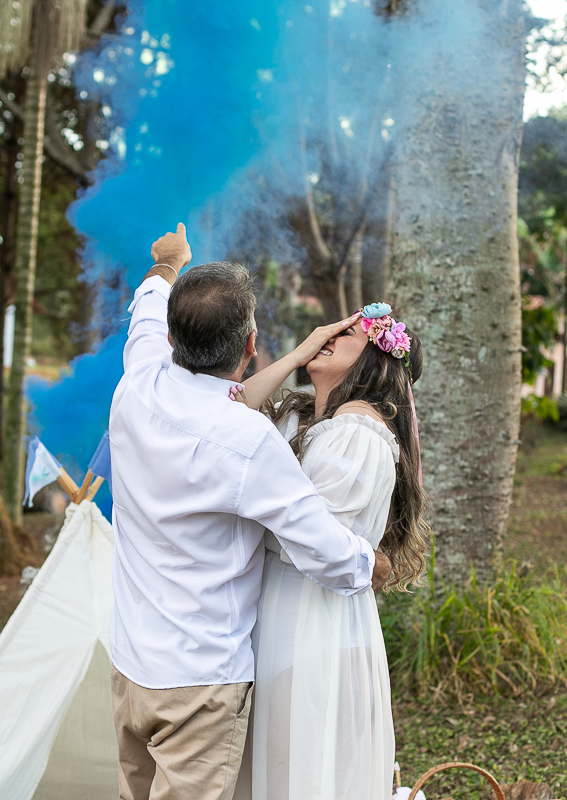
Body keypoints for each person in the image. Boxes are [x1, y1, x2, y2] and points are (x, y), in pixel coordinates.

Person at [107, 224, 393, 800]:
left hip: (130, 665)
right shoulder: (248, 441)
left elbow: (150, 300)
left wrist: (167, 263)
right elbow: (321, 545)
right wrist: (374, 564)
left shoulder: (137, 381)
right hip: (199, 683)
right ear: (250, 345)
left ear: (171, 337)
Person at [231, 299, 429, 800]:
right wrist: (297, 354)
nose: (330, 335)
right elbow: (224, 414)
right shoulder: (302, 419)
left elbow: (309, 540)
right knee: (275, 764)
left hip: (312, 621)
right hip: (278, 613)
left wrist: (242, 513)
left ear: (374, 362)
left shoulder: (358, 430)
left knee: (301, 766)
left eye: (348, 335)